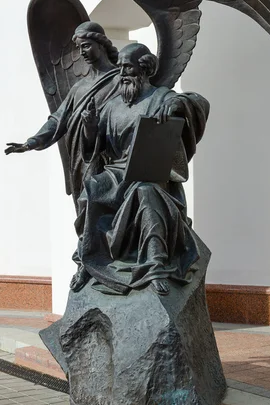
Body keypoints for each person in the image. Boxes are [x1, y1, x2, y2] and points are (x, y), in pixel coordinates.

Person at [72, 43, 210, 296]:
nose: (122, 73)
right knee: (90, 190)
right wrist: (90, 128)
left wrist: (180, 104)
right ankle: (89, 261)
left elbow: (198, 103)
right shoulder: (112, 105)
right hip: (117, 173)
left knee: (146, 193)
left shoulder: (161, 98)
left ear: (143, 68)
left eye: (127, 67)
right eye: (120, 67)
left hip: (149, 173)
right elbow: (95, 148)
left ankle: (154, 266)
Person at [5, 22, 120, 208]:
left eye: (86, 46)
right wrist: (31, 143)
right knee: (87, 209)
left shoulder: (120, 81)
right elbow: (58, 119)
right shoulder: (79, 88)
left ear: (101, 44)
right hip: (84, 158)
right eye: (79, 48)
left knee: (99, 207)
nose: (82, 52)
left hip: (114, 156)